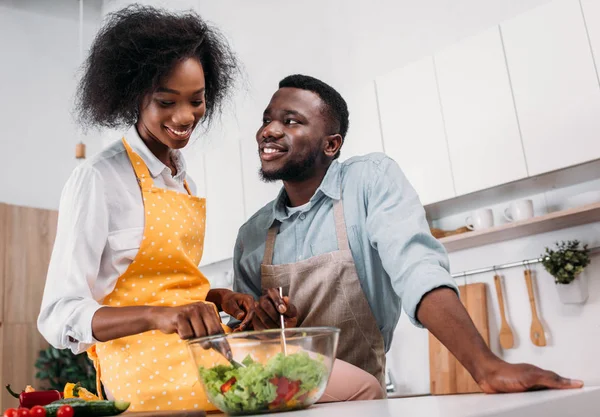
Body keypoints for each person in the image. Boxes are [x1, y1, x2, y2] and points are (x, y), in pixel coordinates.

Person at [233, 74, 584, 394]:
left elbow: (416, 268)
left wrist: (485, 366)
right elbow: (240, 343)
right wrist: (261, 323)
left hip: (363, 398)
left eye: (290, 121)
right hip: (278, 403)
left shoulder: (368, 181)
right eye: (267, 120)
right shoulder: (251, 235)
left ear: (331, 144)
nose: (269, 130)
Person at [38, 5, 255, 412]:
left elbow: (161, 283)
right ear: (134, 94)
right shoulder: (99, 180)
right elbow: (59, 315)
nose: (185, 116)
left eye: (197, 100)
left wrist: (216, 297)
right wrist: (160, 317)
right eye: (166, 101)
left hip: (202, 359)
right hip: (143, 378)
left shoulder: (184, 181)